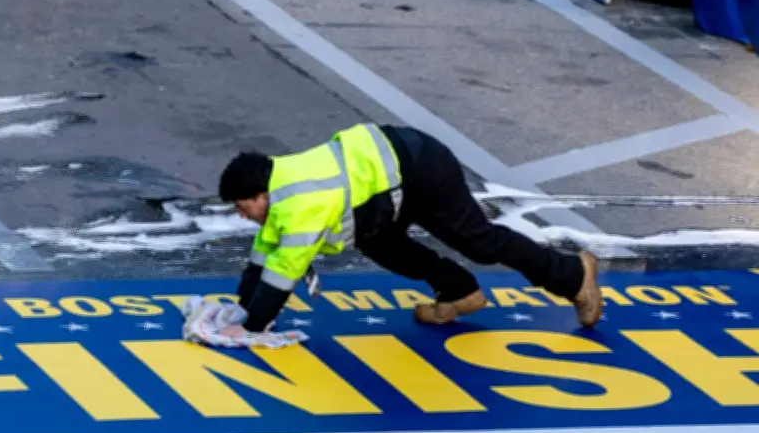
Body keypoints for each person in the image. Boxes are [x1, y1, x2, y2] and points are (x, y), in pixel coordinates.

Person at [217, 122, 602, 336]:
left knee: (479, 242)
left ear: (260, 194)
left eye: (241, 206)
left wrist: (252, 327)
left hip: (421, 168)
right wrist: (239, 310)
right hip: (390, 181)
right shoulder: (280, 182)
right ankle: (459, 293)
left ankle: (572, 274)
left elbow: (285, 270)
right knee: (381, 243)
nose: (242, 215)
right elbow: (264, 254)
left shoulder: (301, 203)